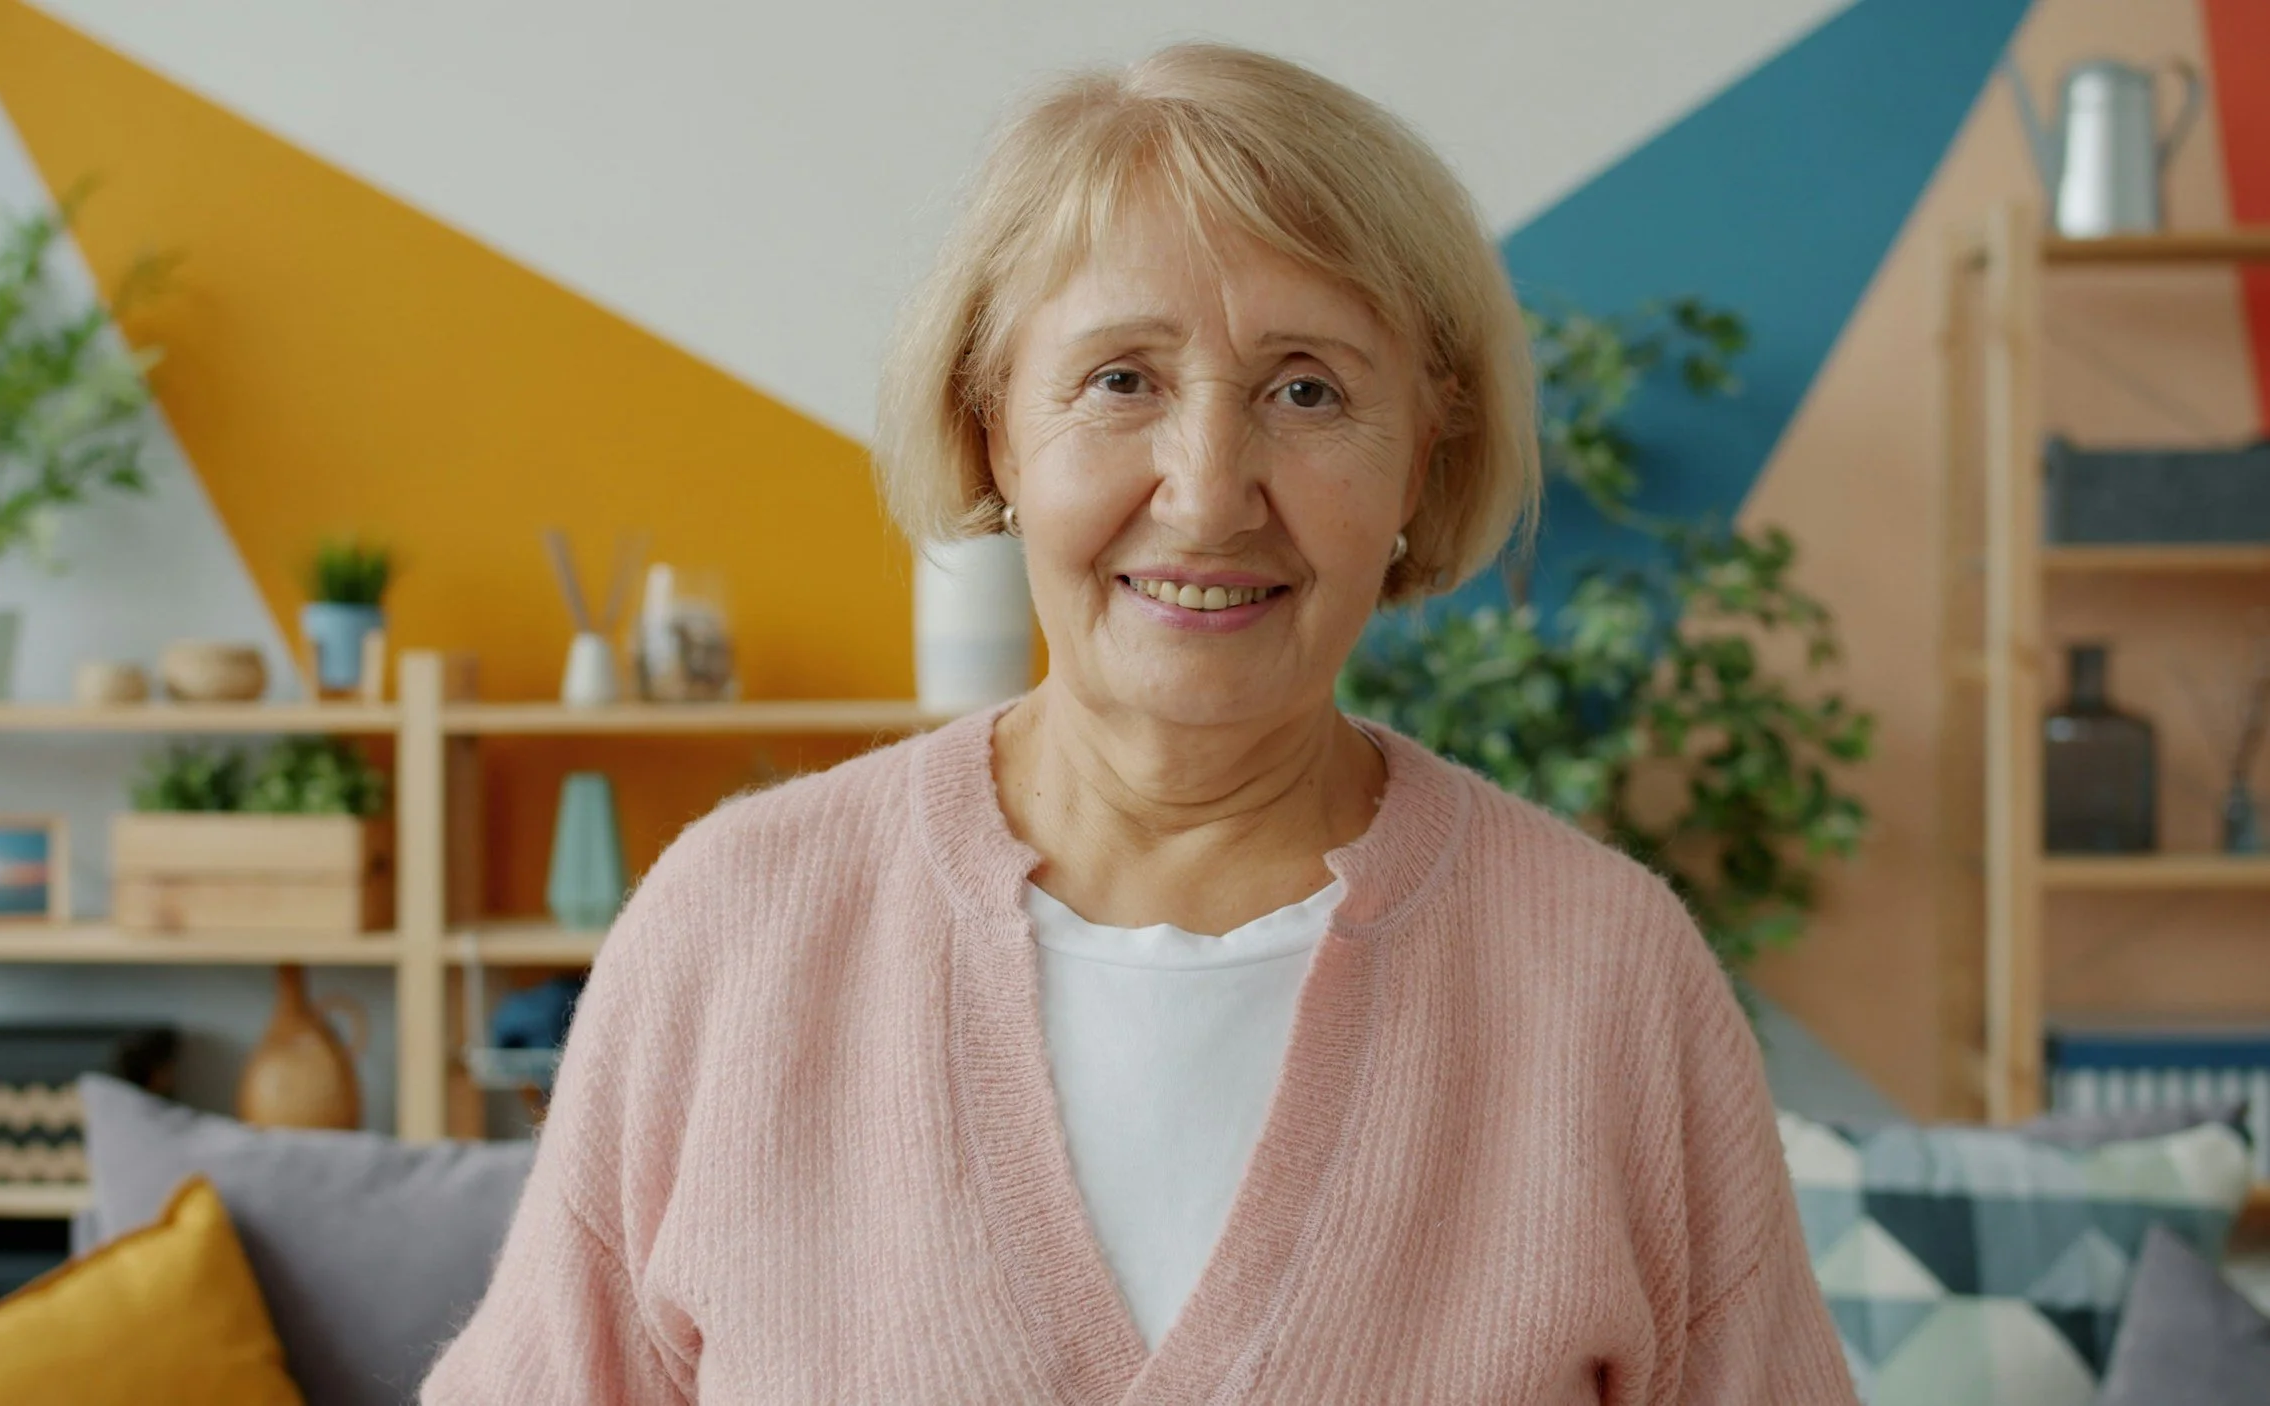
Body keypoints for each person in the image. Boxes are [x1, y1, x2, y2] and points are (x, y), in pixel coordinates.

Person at [426, 41, 1854, 1403]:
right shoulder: (730, 932)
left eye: (1308, 389)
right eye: (1123, 380)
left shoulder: (1609, 974)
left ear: (1427, 449)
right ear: (993, 426)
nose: (1207, 486)